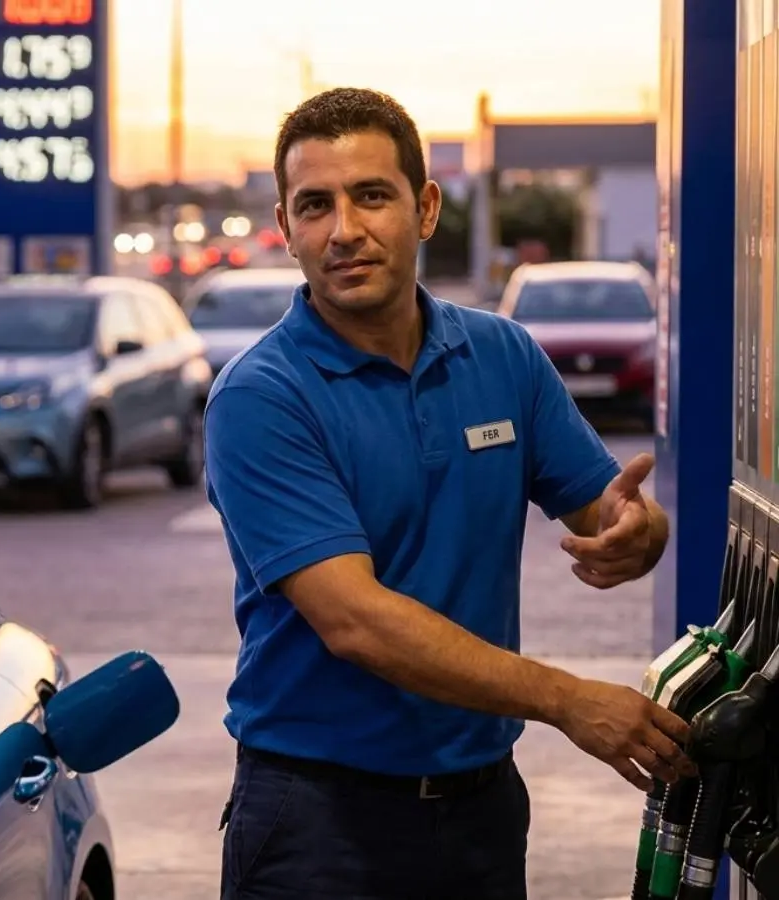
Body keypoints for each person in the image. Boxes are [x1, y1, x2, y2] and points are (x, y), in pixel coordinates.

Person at [203, 86, 693, 900]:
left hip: (481, 810)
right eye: (315, 205)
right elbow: (355, 621)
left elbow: (609, 508)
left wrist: (637, 533)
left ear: (425, 208)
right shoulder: (263, 396)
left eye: (372, 196)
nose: (344, 230)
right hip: (319, 823)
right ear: (286, 228)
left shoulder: (502, 356)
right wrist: (567, 699)